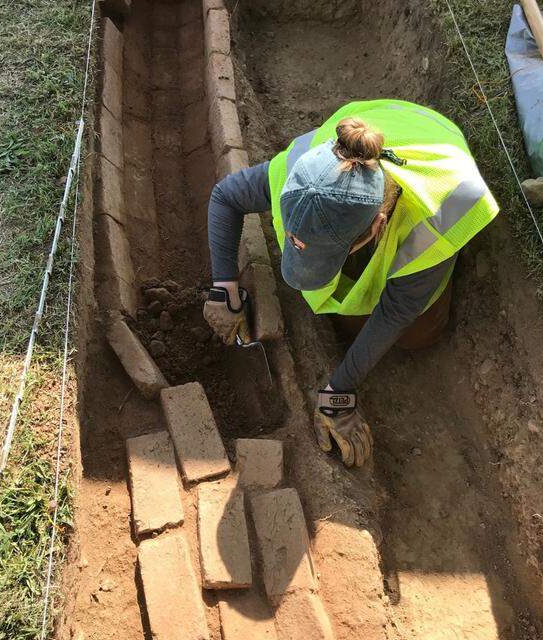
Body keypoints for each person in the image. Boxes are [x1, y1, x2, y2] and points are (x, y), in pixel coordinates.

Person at [201, 99, 500, 469]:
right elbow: (225, 196)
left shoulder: (433, 221)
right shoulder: (303, 170)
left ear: (376, 226)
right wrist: (224, 288)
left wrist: (338, 393)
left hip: (438, 151)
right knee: (344, 308)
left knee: (419, 336)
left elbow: (397, 310)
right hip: (382, 123)